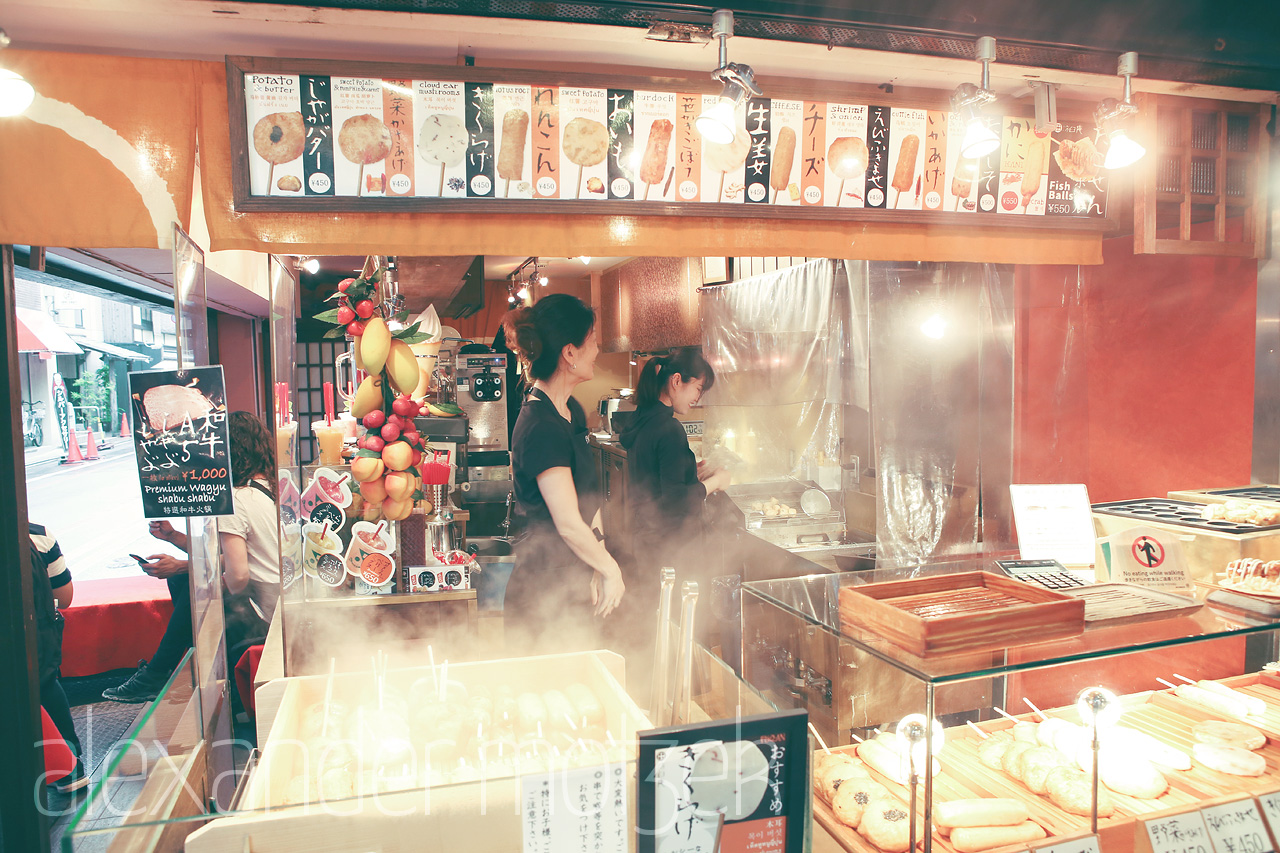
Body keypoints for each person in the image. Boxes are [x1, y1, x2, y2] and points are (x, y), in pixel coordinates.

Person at [503, 294, 625, 652]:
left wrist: (594, 562)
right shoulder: (541, 425)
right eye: (592, 340)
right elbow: (569, 522)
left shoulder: (568, 410)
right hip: (543, 587)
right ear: (569, 353)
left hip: (570, 578)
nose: (598, 349)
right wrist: (611, 570)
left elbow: (588, 501)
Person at [617, 350, 729, 671]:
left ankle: (654, 689)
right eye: (698, 388)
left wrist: (692, 471)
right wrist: (716, 482)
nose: (698, 397)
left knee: (659, 621)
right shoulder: (669, 429)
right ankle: (685, 700)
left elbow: (660, 480)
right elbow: (677, 500)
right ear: (676, 381)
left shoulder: (644, 419)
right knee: (681, 626)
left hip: (649, 543)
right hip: (673, 547)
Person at [30, 523, 90, 793]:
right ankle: (68, 762)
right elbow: (63, 597)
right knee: (43, 684)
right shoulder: (37, 534)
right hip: (35, 644)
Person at [102, 526, 191, 703]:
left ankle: (157, 672)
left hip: (252, 592)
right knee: (181, 578)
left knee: (194, 584)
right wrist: (171, 535)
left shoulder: (234, 507)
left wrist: (181, 566)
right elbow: (217, 551)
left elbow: (236, 558)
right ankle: (164, 671)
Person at [217, 410, 280, 655]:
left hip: (265, 607)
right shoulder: (276, 486)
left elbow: (239, 575)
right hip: (292, 596)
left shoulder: (235, 499)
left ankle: (157, 671)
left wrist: (219, 586)